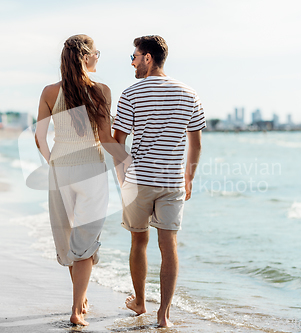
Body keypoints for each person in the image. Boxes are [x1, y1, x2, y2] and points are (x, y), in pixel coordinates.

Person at [35, 34, 130, 326]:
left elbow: (39, 138)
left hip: (60, 170)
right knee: (85, 239)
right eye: (97, 53)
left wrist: (55, 162)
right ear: (87, 57)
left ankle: (79, 298)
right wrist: (125, 169)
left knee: (68, 236)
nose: (99, 58)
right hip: (91, 170)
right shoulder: (101, 90)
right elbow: (106, 139)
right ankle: (77, 308)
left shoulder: (50, 91)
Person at [112, 35, 205, 327]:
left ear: (148, 58)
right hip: (172, 181)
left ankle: (140, 303)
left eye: (134, 57)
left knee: (139, 239)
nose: (133, 62)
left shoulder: (131, 93)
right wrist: (188, 177)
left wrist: (122, 177)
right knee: (170, 244)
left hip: (138, 181)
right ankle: (163, 315)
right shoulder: (190, 93)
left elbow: (118, 141)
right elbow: (196, 143)